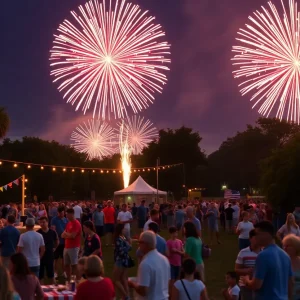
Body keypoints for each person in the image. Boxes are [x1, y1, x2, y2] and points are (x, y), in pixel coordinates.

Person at [243, 221, 294, 299]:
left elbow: (256, 285)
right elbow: (291, 282)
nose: (255, 237)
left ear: (266, 234)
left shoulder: (263, 255)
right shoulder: (285, 255)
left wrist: (246, 280)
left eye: (257, 234)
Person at [128, 230, 170, 300]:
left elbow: (143, 291)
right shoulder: (165, 260)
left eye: (140, 242)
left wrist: (132, 284)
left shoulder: (146, 263)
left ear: (145, 244)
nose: (138, 245)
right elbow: (167, 282)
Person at [235, 229, 260, 300]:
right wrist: (246, 271)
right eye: (256, 238)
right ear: (250, 239)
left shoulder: (264, 252)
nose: (258, 241)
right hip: (245, 286)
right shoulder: (243, 252)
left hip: (260, 285)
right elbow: (236, 269)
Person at [61, 208, 82, 280]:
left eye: (67, 214)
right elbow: (62, 235)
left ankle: (78, 280)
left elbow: (73, 236)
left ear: (71, 214)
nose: (66, 216)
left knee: (74, 265)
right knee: (66, 264)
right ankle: (69, 279)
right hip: (66, 246)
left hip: (74, 247)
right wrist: (67, 234)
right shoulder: (68, 223)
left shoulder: (76, 223)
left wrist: (66, 234)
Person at [37, 216, 59, 284]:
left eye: (44, 222)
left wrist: (55, 247)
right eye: (41, 222)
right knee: (40, 275)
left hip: (49, 255)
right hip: (41, 256)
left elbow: (57, 240)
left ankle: (53, 288)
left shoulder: (52, 232)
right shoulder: (38, 232)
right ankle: (41, 290)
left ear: (47, 222)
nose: (42, 224)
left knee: (51, 274)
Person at [113, 223, 132, 300]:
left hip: (120, 260)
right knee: (123, 278)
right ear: (120, 229)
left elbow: (121, 251)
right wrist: (129, 245)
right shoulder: (122, 238)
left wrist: (128, 246)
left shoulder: (119, 239)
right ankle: (126, 295)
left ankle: (126, 296)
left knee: (116, 280)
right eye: (124, 228)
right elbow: (129, 248)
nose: (125, 230)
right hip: (125, 260)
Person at [51, 206, 68, 279]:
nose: (61, 214)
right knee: (55, 258)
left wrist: (65, 234)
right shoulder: (54, 219)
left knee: (64, 258)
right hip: (57, 242)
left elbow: (67, 229)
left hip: (65, 241)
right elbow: (53, 230)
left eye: (62, 213)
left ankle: (64, 272)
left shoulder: (66, 220)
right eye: (59, 213)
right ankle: (55, 272)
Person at [167, 226, 184, 294]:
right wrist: (171, 252)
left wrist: (177, 251)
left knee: (178, 280)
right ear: (171, 233)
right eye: (174, 233)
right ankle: (171, 294)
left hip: (179, 264)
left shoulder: (179, 241)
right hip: (171, 264)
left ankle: (176, 293)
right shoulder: (168, 242)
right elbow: (167, 254)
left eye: (176, 232)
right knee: (172, 280)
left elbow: (183, 252)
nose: (175, 234)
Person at [283, 234, 300, 299]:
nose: (285, 248)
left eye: (288, 246)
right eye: (284, 246)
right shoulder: (282, 262)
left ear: (296, 247)